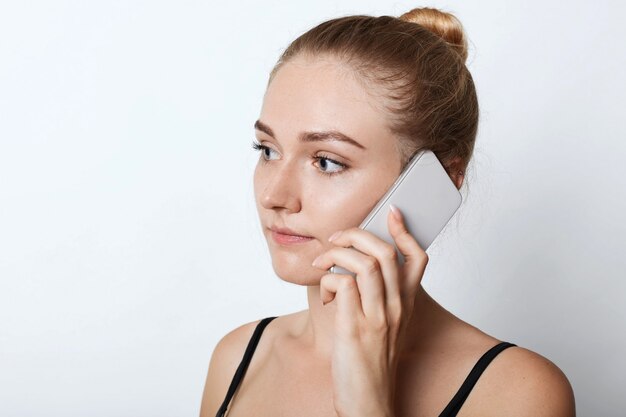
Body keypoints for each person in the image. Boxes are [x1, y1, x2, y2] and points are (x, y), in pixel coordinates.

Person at [200, 7, 576, 417]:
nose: (274, 195)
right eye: (268, 150)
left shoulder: (518, 393)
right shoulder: (238, 356)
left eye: (326, 161)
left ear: (436, 181)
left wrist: (367, 402)